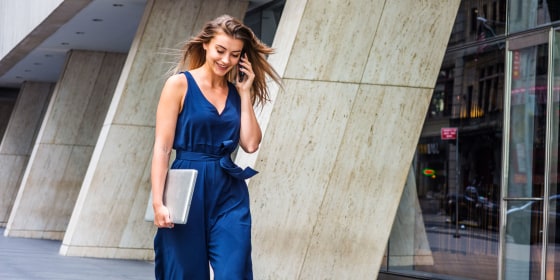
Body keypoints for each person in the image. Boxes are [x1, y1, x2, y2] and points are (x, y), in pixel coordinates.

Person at [150, 14, 281, 279]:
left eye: (234, 55)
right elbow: (162, 149)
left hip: (229, 191)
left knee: (234, 271)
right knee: (185, 272)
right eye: (220, 50)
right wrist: (158, 202)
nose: (225, 60)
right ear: (206, 45)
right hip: (187, 187)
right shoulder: (179, 85)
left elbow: (251, 143)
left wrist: (245, 93)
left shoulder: (237, 92)